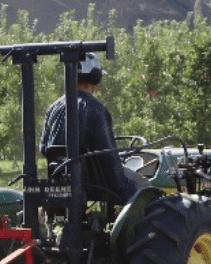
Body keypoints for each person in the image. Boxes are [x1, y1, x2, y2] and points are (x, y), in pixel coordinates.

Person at [39, 52, 144, 205]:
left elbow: (44, 148)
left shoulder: (54, 107)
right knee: (145, 188)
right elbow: (108, 159)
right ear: (95, 78)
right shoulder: (96, 109)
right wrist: (124, 184)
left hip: (61, 182)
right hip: (96, 186)